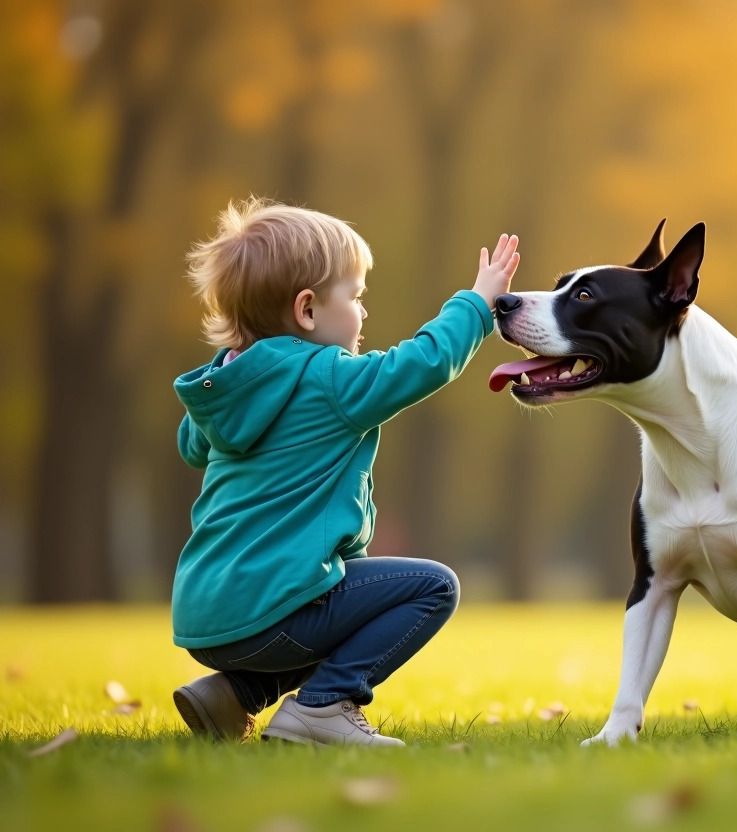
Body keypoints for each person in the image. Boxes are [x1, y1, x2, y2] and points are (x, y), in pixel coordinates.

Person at [170, 197, 518, 747]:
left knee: (337, 595)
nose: (364, 312)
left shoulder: (223, 391)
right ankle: (326, 705)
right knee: (433, 587)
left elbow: (192, 445)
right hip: (271, 610)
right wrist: (477, 304)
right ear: (307, 310)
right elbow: (420, 364)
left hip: (207, 617)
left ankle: (233, 696)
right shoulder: (327, 378)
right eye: (356, 297)